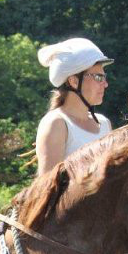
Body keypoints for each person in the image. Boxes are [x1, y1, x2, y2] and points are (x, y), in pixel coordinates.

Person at [35, 38, 114, 175]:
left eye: (104, 77)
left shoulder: (104, 123)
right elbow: (48, 186)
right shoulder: (56, 123)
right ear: (73, 81)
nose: (105, 84)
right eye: (98, 77)